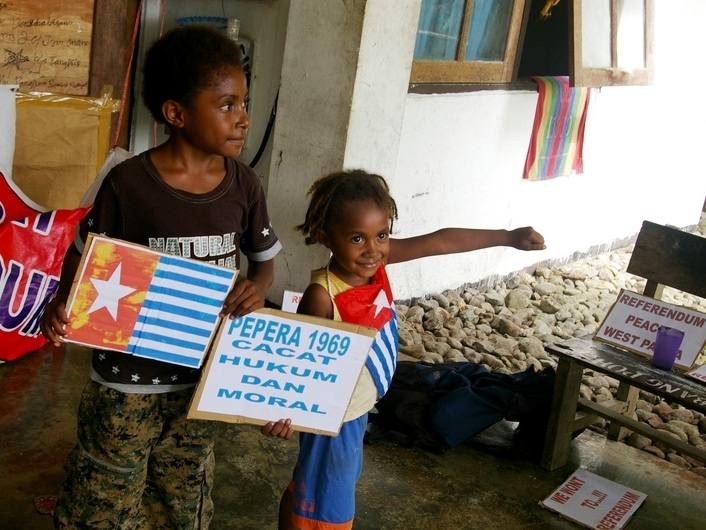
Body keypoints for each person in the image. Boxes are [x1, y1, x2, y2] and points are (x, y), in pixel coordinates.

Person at [40, 25, 283, 529]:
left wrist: (255, 289)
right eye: (227, 105)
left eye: (244, 103)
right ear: (176, 114)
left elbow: (262, 261)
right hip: (126, 380)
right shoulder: (130, 183)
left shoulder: (245, 185)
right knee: (106, 490)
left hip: (201, 380)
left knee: (183, 489)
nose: (244, 119)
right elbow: (85, 258)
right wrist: (62, 302)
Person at [262, 169, 546, 530]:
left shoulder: (372, 265)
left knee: (311, 487)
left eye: (382, 235)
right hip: (334, 420)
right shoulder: (322, 296)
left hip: (357, 407)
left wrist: (507, 236)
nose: (373, 249)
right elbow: (294, 365)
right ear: (324, 236)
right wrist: (281, 412)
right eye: (356, 238)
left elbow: (439, 242)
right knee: (328, 507)